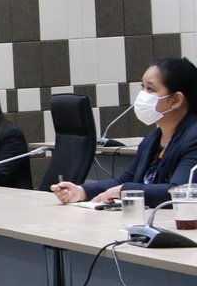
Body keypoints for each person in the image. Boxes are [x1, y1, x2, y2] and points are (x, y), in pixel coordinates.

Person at [53, 57, 197, 207]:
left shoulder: (194, 138)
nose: (142, 95)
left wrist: (125, 191)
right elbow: (123, 181)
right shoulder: (153, 138)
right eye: (142, 87)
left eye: (150, 89)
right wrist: (82, 191)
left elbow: (180, 192)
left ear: (176, 100)